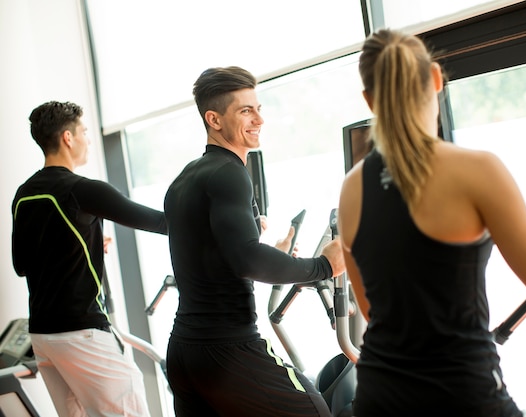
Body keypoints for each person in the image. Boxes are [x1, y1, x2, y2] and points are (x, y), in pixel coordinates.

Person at [337, 28, 526, 417]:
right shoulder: (476, 170)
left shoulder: (352, 188)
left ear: (369, 101)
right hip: (461, 396)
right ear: (436, 79)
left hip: (378, 396)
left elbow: (374, 312)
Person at [163, 66, 346, 417]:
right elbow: (247, 259)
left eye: (259, 108)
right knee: (314, 411)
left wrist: (269, 254)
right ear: (214, 119)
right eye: (246, 110)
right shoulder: (230, 172)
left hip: (185, 352)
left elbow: (216, 258)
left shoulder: (184, 179)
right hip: (228, 350)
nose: (259, 119)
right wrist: (324, 266)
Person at [11, 101, 168, 417]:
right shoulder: (81, 190)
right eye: (84, 132)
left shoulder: (24, 193)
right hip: (80, 330)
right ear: (68, 137)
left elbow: (22, 265)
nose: (88, 139)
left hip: (43, 335)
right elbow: (159, 222)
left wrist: (84, 241)